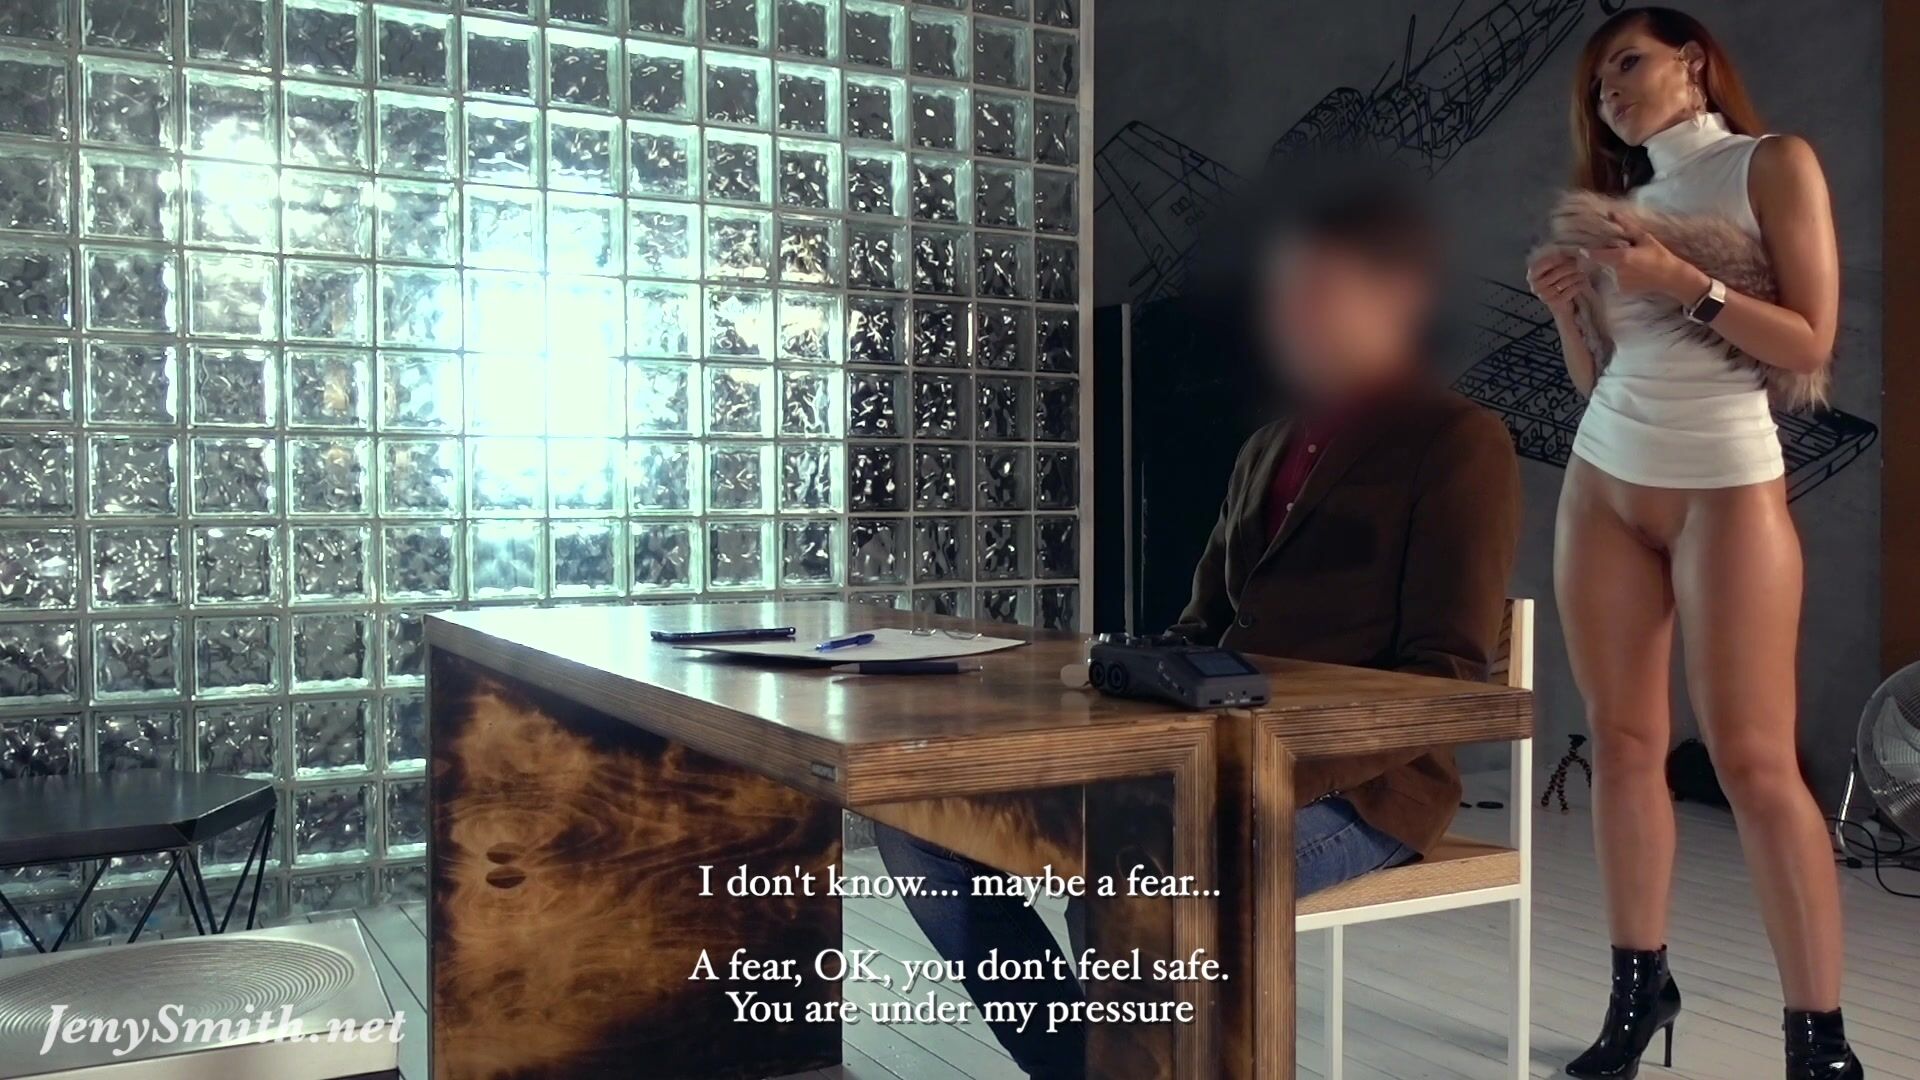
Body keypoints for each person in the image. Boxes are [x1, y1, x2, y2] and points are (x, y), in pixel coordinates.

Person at [875, 157, 1522, 1079]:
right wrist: (1119, 679)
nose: (1291, 314)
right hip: (1208, 764)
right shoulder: (1266, 446)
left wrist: (1265, 770)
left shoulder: (1458, 441)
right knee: (923, 823)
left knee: (1134, 879)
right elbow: (1201, 628)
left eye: (1320, 289)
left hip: (1365, 790)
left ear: (1398, 297)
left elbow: (1446, 680)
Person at [1525, 8, 1860, 1079]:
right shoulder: (1620, 211)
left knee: (1755, 763)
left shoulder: (1772, 165)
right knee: (1623, 744)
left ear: (1694, 62)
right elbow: (1605, 381)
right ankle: (1638, 994)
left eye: (1627, 63)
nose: (1610, 92)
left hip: (1726, 487)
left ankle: (1820, 1044)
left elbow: (1808, 344)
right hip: (1605, 483)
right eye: (1596, 85)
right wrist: (1569, 314)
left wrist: (1685, 282)